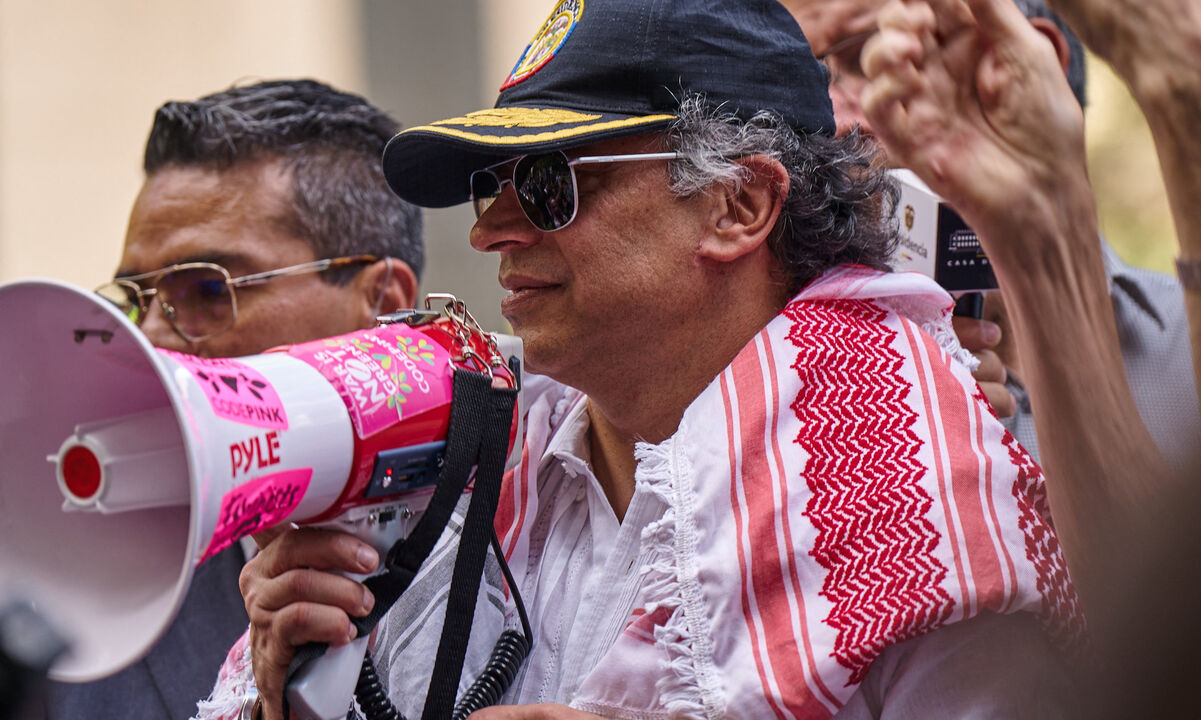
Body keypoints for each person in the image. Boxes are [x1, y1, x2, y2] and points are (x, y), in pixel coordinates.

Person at [214, 2, 1084, 719]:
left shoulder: (920, 486)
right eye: (491, 183)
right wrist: (289, 691)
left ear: (738, 204)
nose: (489, 232)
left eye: (550, 183)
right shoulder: (468, 454)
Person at [41, 79, 422, 720]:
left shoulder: (525, 547)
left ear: (381, 303)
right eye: (136, 299)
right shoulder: (80, 610)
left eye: (207, 289)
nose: (153, 339)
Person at [780, 0, 1201, 468]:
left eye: (866, 59)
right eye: (803, 77)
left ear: (1029, 69)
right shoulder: (781, 400)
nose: (829, 123)